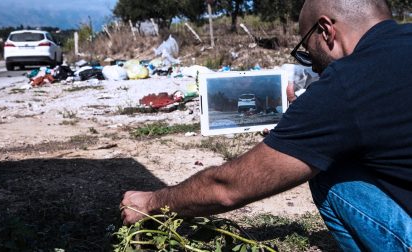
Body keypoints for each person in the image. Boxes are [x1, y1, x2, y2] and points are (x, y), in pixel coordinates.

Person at [120, 0, 412, 250]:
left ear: (326, 30)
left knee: (329, 169)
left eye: (308, 54)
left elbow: (228, 188)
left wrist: (151, 203)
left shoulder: (348, 81)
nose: (314, 67)